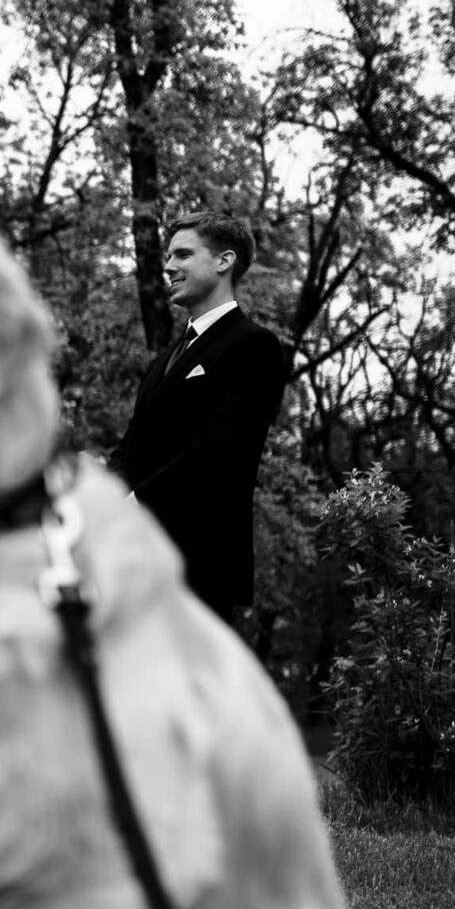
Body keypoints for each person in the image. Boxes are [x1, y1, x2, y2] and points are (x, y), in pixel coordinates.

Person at [109, 210, 287, 625]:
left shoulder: (255, 346)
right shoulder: (164, 360)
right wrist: (101, 496)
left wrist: (136, 503)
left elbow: (216, 449)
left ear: (224, 261)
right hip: (133, 562)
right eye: (169, 257)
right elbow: (131, 445)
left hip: (197, 567)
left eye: (183, 255)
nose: (168, 266)